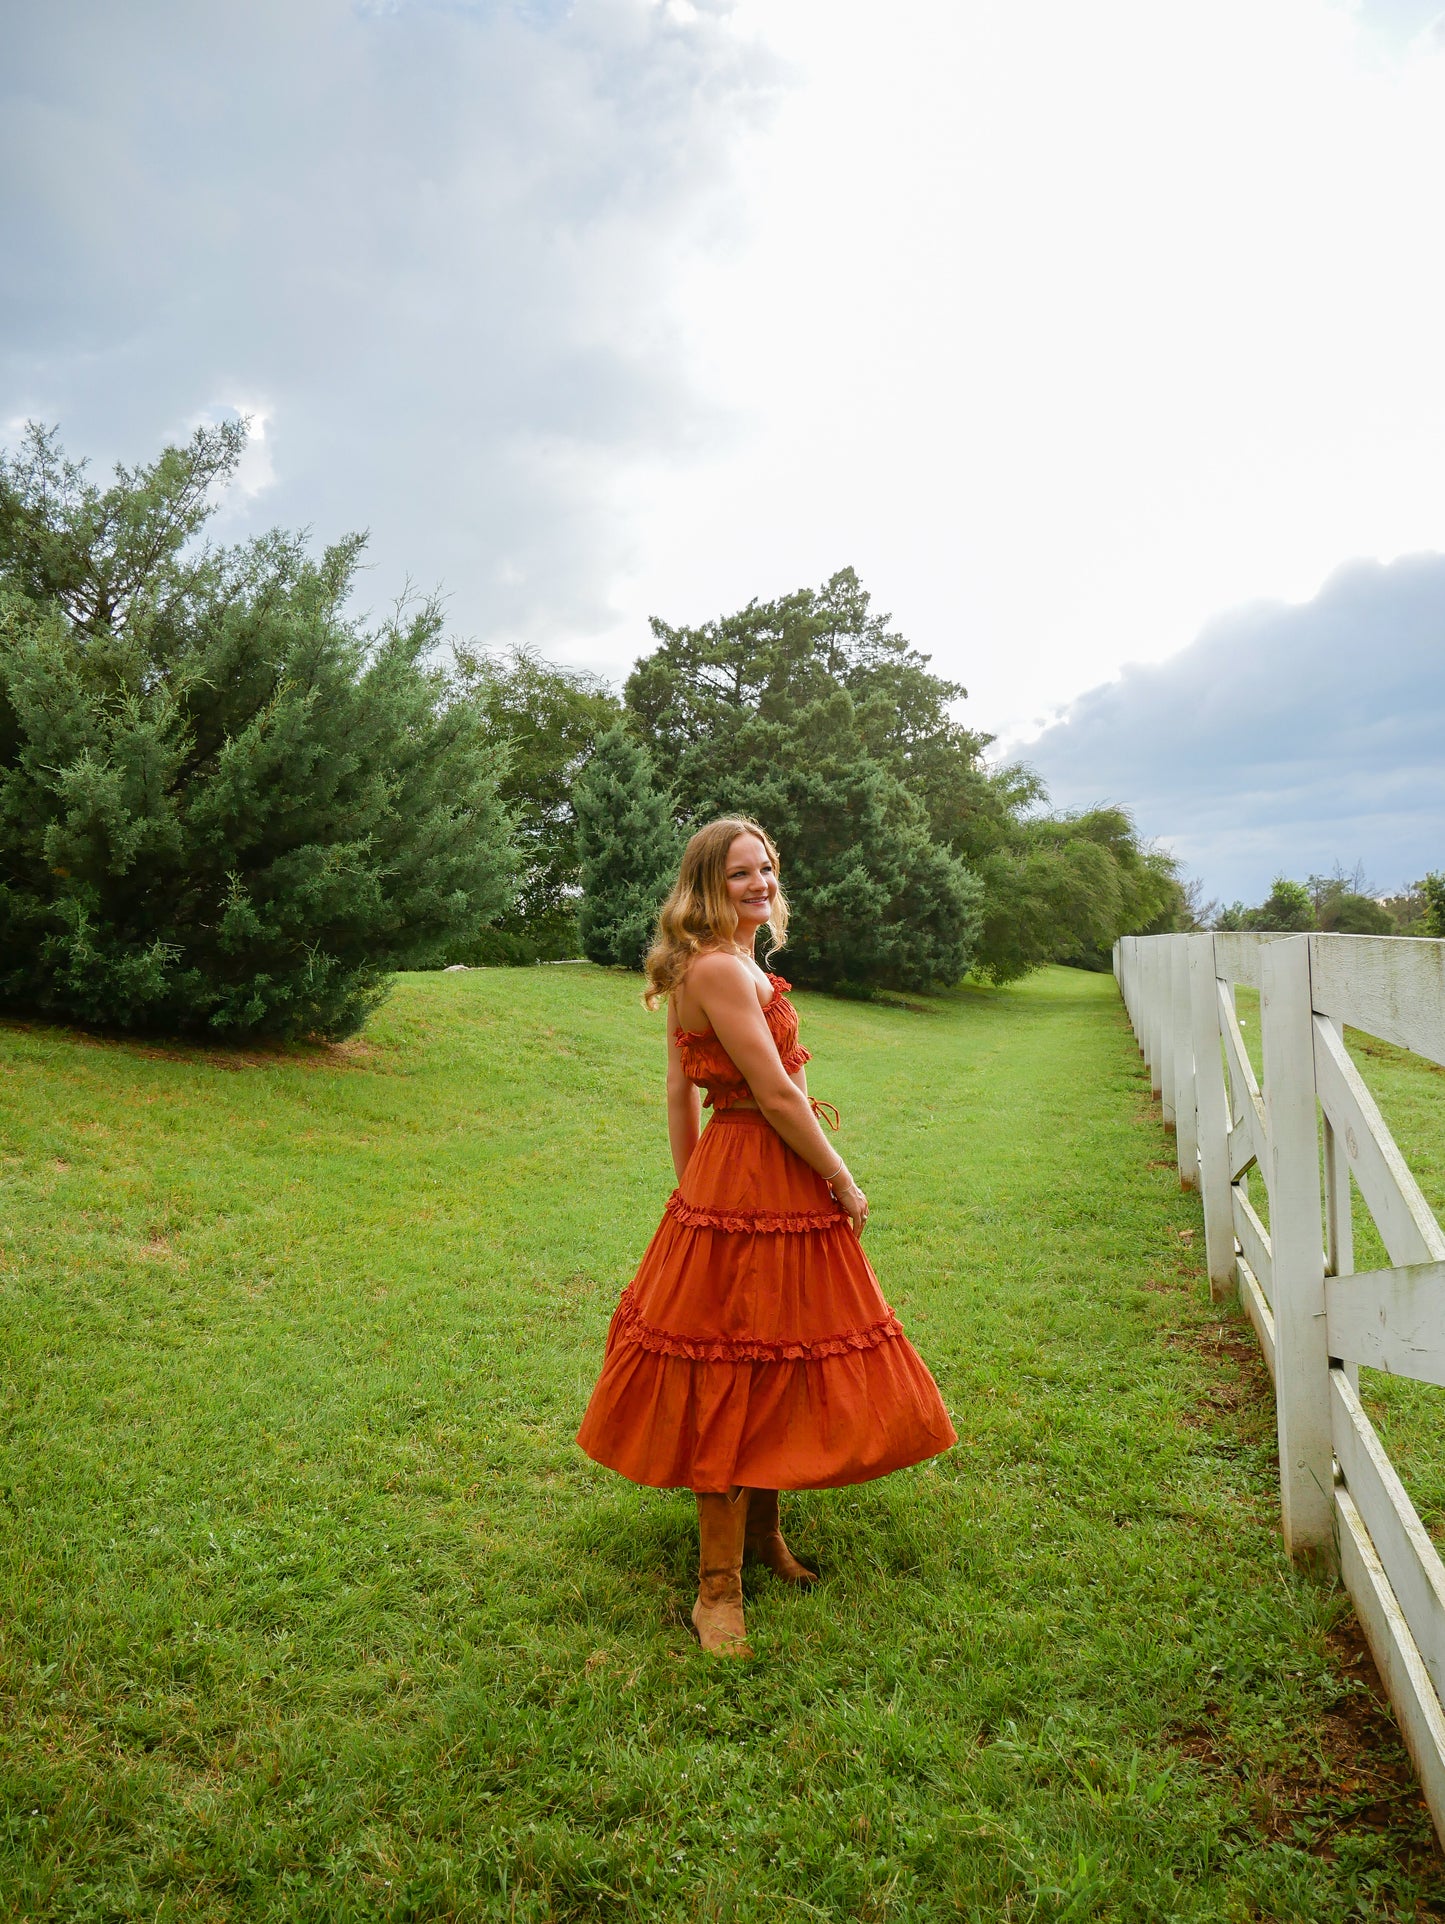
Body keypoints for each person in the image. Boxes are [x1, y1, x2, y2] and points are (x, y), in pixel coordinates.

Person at [576, 817, 957, 1656]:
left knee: (782, 1350)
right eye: (742, 873)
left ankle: (762, 1536)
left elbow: (691, 1094)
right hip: (754, 1168)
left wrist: (698, 1185)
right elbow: (774, 1095)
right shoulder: (713, 968)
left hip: (756, 1174)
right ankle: (717, 1591)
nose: (761, 885)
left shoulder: (733, 965)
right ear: (707, 884)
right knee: (728, 1359)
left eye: (769, 870)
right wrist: (837, 1179)